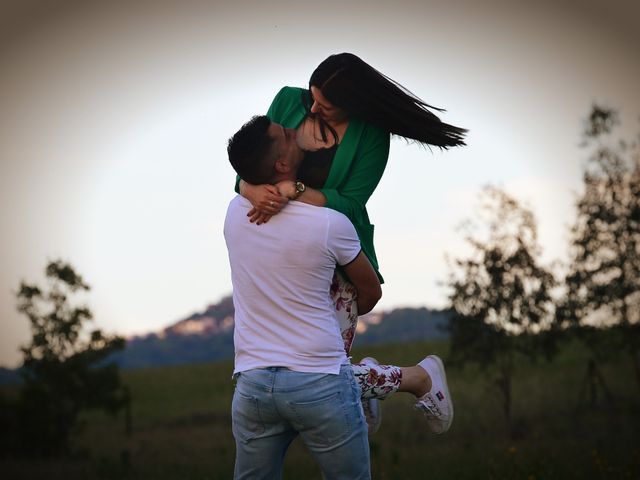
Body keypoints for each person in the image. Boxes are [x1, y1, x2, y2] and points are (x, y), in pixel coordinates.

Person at [235, 53, 464, 429]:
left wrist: (294, 191)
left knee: (323, 371)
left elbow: (351, 203)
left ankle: (417, 378)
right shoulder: (286, 102)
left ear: (352, 105)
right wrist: (248, 187)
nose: (311, 108)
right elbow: (252, 161)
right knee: (299, 368)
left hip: (334, 257)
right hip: (282, 256)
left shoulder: (371, 136)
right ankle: (390, 382)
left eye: (325, 106)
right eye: (312, 97)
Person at [225, 117, 453, 479]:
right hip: (319, 381)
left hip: (252, 384)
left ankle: (371, 384)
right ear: (281, 165)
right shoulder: (329, 224)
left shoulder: (234, 213)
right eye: (284, 134)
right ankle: (413, 378)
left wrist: (262, 189)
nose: (292, 128)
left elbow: (243, 183)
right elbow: (370, 292)